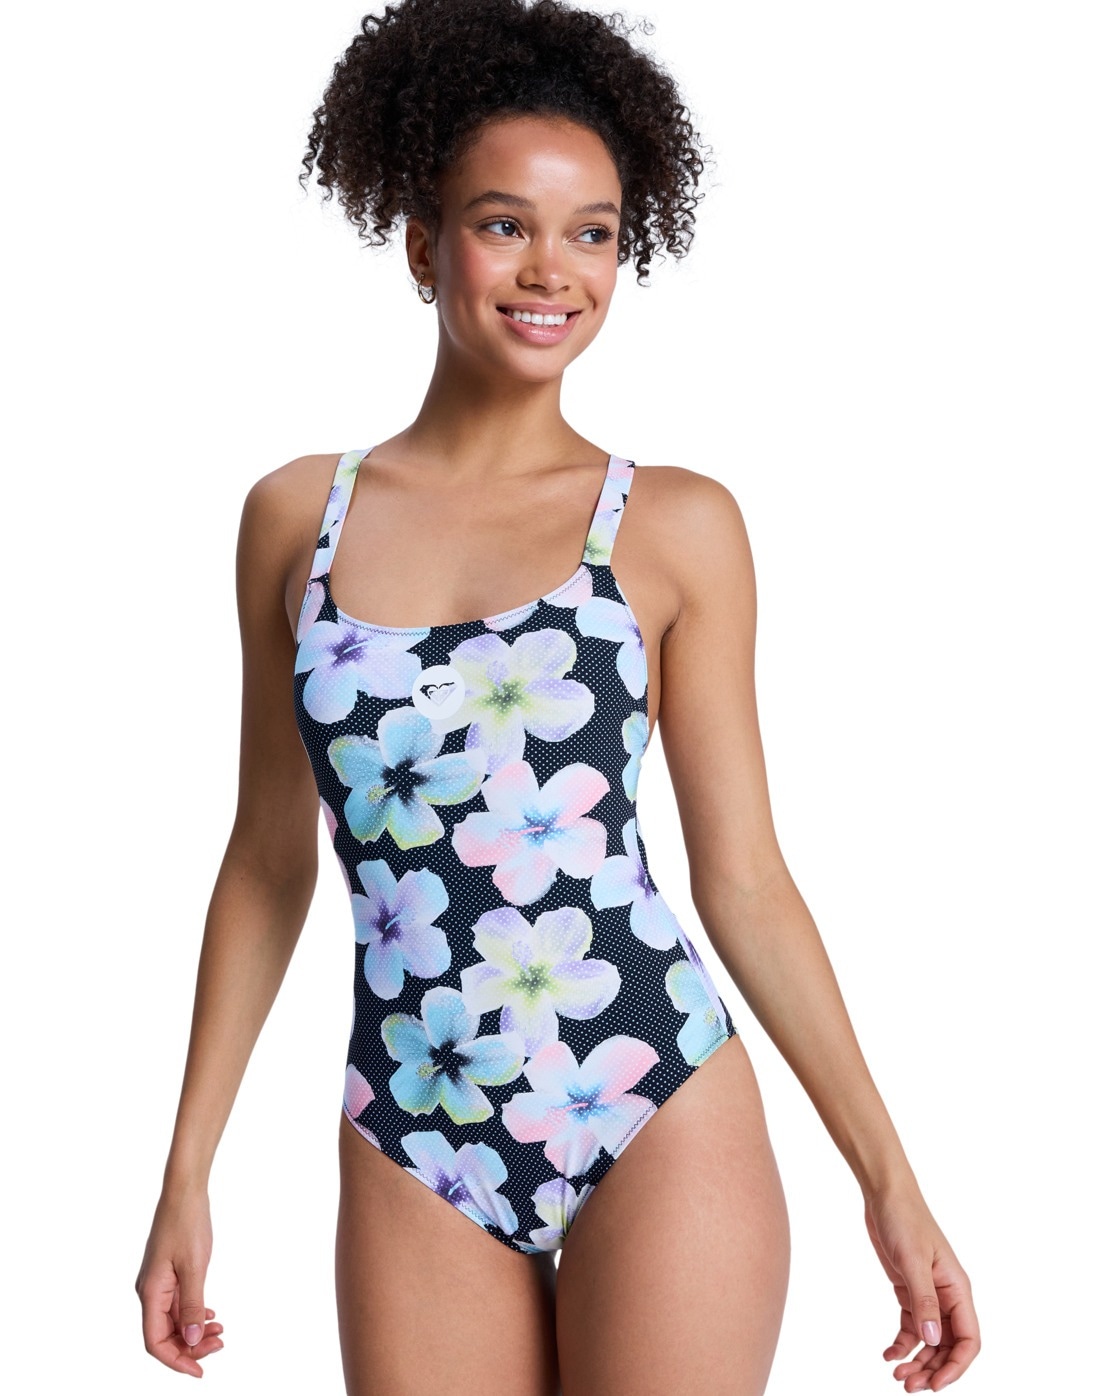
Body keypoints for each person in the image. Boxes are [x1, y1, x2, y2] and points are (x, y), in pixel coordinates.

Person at [135, 0, 980, 1391]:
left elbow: (746, 878)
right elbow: (267, 861)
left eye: (593, 231)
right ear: (423, 243)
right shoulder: (297, 519)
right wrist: (186, 1172)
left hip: (652, 1092)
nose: (552, 270)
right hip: (412, 1122)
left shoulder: (672, 525)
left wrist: (889, 1182)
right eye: (503, 223)